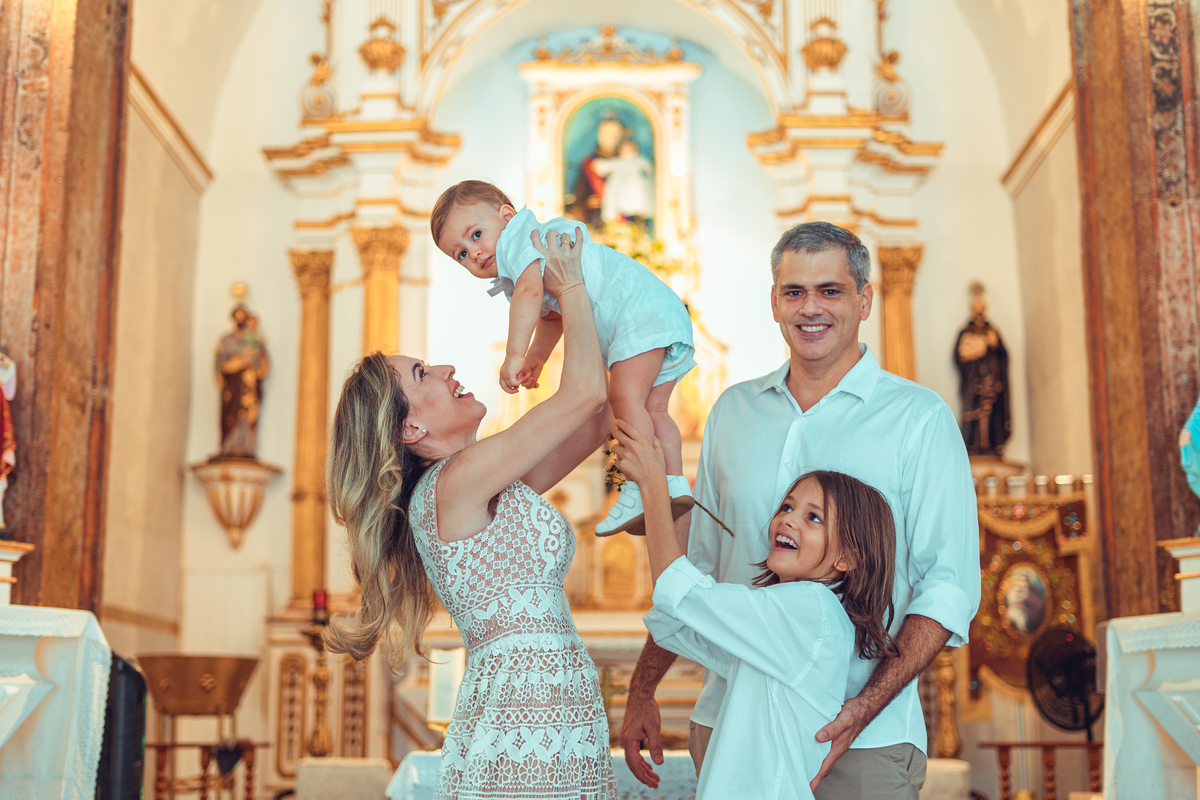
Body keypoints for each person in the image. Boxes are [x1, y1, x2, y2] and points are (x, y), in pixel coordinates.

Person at [620, 221, 981, 799]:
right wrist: (644, 690)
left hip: (861, 740)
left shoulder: (919, 418)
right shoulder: (732, 412)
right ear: (774, 302)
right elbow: (700, 568)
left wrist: (862, 708)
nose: (810, 308)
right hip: (732, 721)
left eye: (830, 290)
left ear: (865, 299)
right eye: (794, 292)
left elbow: (949, 586)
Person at [324, 229, 616, 800]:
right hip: (521, 714)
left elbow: (594, 420)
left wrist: (553, 321)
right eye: (423, 374)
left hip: (553, 702)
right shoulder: (454, 485)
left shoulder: (482, 480)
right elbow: (584, 395)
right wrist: (570, 281)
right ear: (412, 429)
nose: (447, 370)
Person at [612, 415, 899, 799]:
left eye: (813, 517)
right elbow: (676, 617)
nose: (788, 520)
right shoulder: (790, 618)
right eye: (787, 507)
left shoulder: (809, 610)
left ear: (847, 557)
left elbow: (680, 591)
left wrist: (651, 484)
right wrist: (671, 478)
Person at [431, 180, 695, 537]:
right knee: (653, 410)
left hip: (637, 316)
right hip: (656, 312)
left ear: (507, 216)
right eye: (460, 254)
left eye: (476, 235)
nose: (474, 253)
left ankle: (637, 487)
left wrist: (514, 355)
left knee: (624, 399)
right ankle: (675, 483)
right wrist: (538, 357)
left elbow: (530, 293)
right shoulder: (525, 255)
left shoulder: (521, 241)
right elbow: (552, 315)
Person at [954, 284, 1010, 456]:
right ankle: (973, 445)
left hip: (991, 382)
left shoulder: (993, 331)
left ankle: (992, 444)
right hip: (973, 382)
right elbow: (958, 356)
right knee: (974, 412)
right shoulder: (965, 332)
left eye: (981, 308)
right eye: (975, 308)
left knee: (991, 412)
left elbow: (1004, 355)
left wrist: (993, 346)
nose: (978, 312)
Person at [591, 139, 655, 224]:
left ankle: (639, 221)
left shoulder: (639, 161)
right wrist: (600, 165)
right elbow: (607, 166)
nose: (627, 151)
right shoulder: (619, 162)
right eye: (624, 148)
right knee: (617, 206)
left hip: (635, 188)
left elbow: (648, 168)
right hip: (620, 189)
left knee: (638, 204)